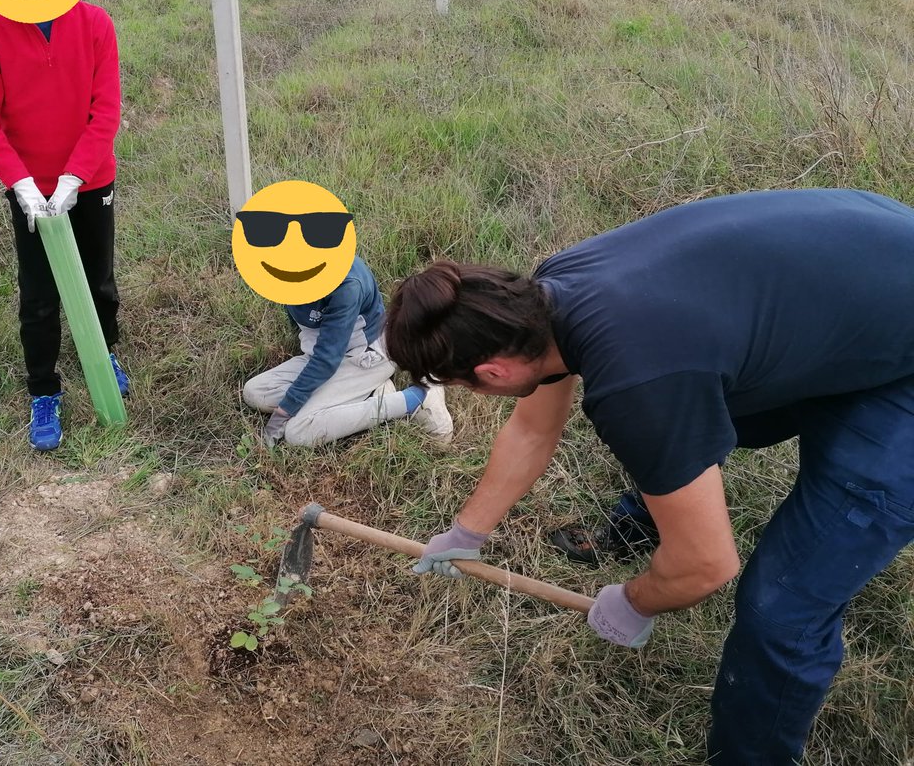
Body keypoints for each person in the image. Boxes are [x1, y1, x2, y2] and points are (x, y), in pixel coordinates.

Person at [384, 188, 914, 764]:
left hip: (895, 339)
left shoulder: (637, 382)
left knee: (781, 607)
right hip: (865, 270)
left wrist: (636, 601)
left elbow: (708, 566)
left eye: (465, 385)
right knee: (677, 420)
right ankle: (648, 525)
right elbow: (533, 430)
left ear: (492, 370)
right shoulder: (548, 297)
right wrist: (467, 532)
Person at [0, 0, 127, 451]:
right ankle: (43, 390)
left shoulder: (96, 24)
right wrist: (22, 183)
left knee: (99, 281)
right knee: (38, 293)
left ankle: (104, 354)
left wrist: (76, 176)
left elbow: (105, 111)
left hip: (91, 182)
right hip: (30, 191)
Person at [243, 256, 453, 447]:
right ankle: (366, 391)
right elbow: (308, 334)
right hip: (323, 354)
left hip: (364, 357)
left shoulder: (347, 284)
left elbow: (327, 358)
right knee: (255, 392)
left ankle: (416, 397)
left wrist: (285, 410)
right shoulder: (283, 271)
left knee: (298, 432)